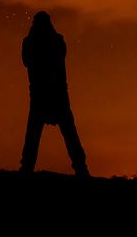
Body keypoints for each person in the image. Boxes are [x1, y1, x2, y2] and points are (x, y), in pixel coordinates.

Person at [20, 11, 91, 177]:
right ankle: (81, 168)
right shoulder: (57, 40)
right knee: (67, 132)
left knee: (35, 133)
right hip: (54, 93)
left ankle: (27, 167)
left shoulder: (31, 42)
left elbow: (26, 61)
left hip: (43, 94)